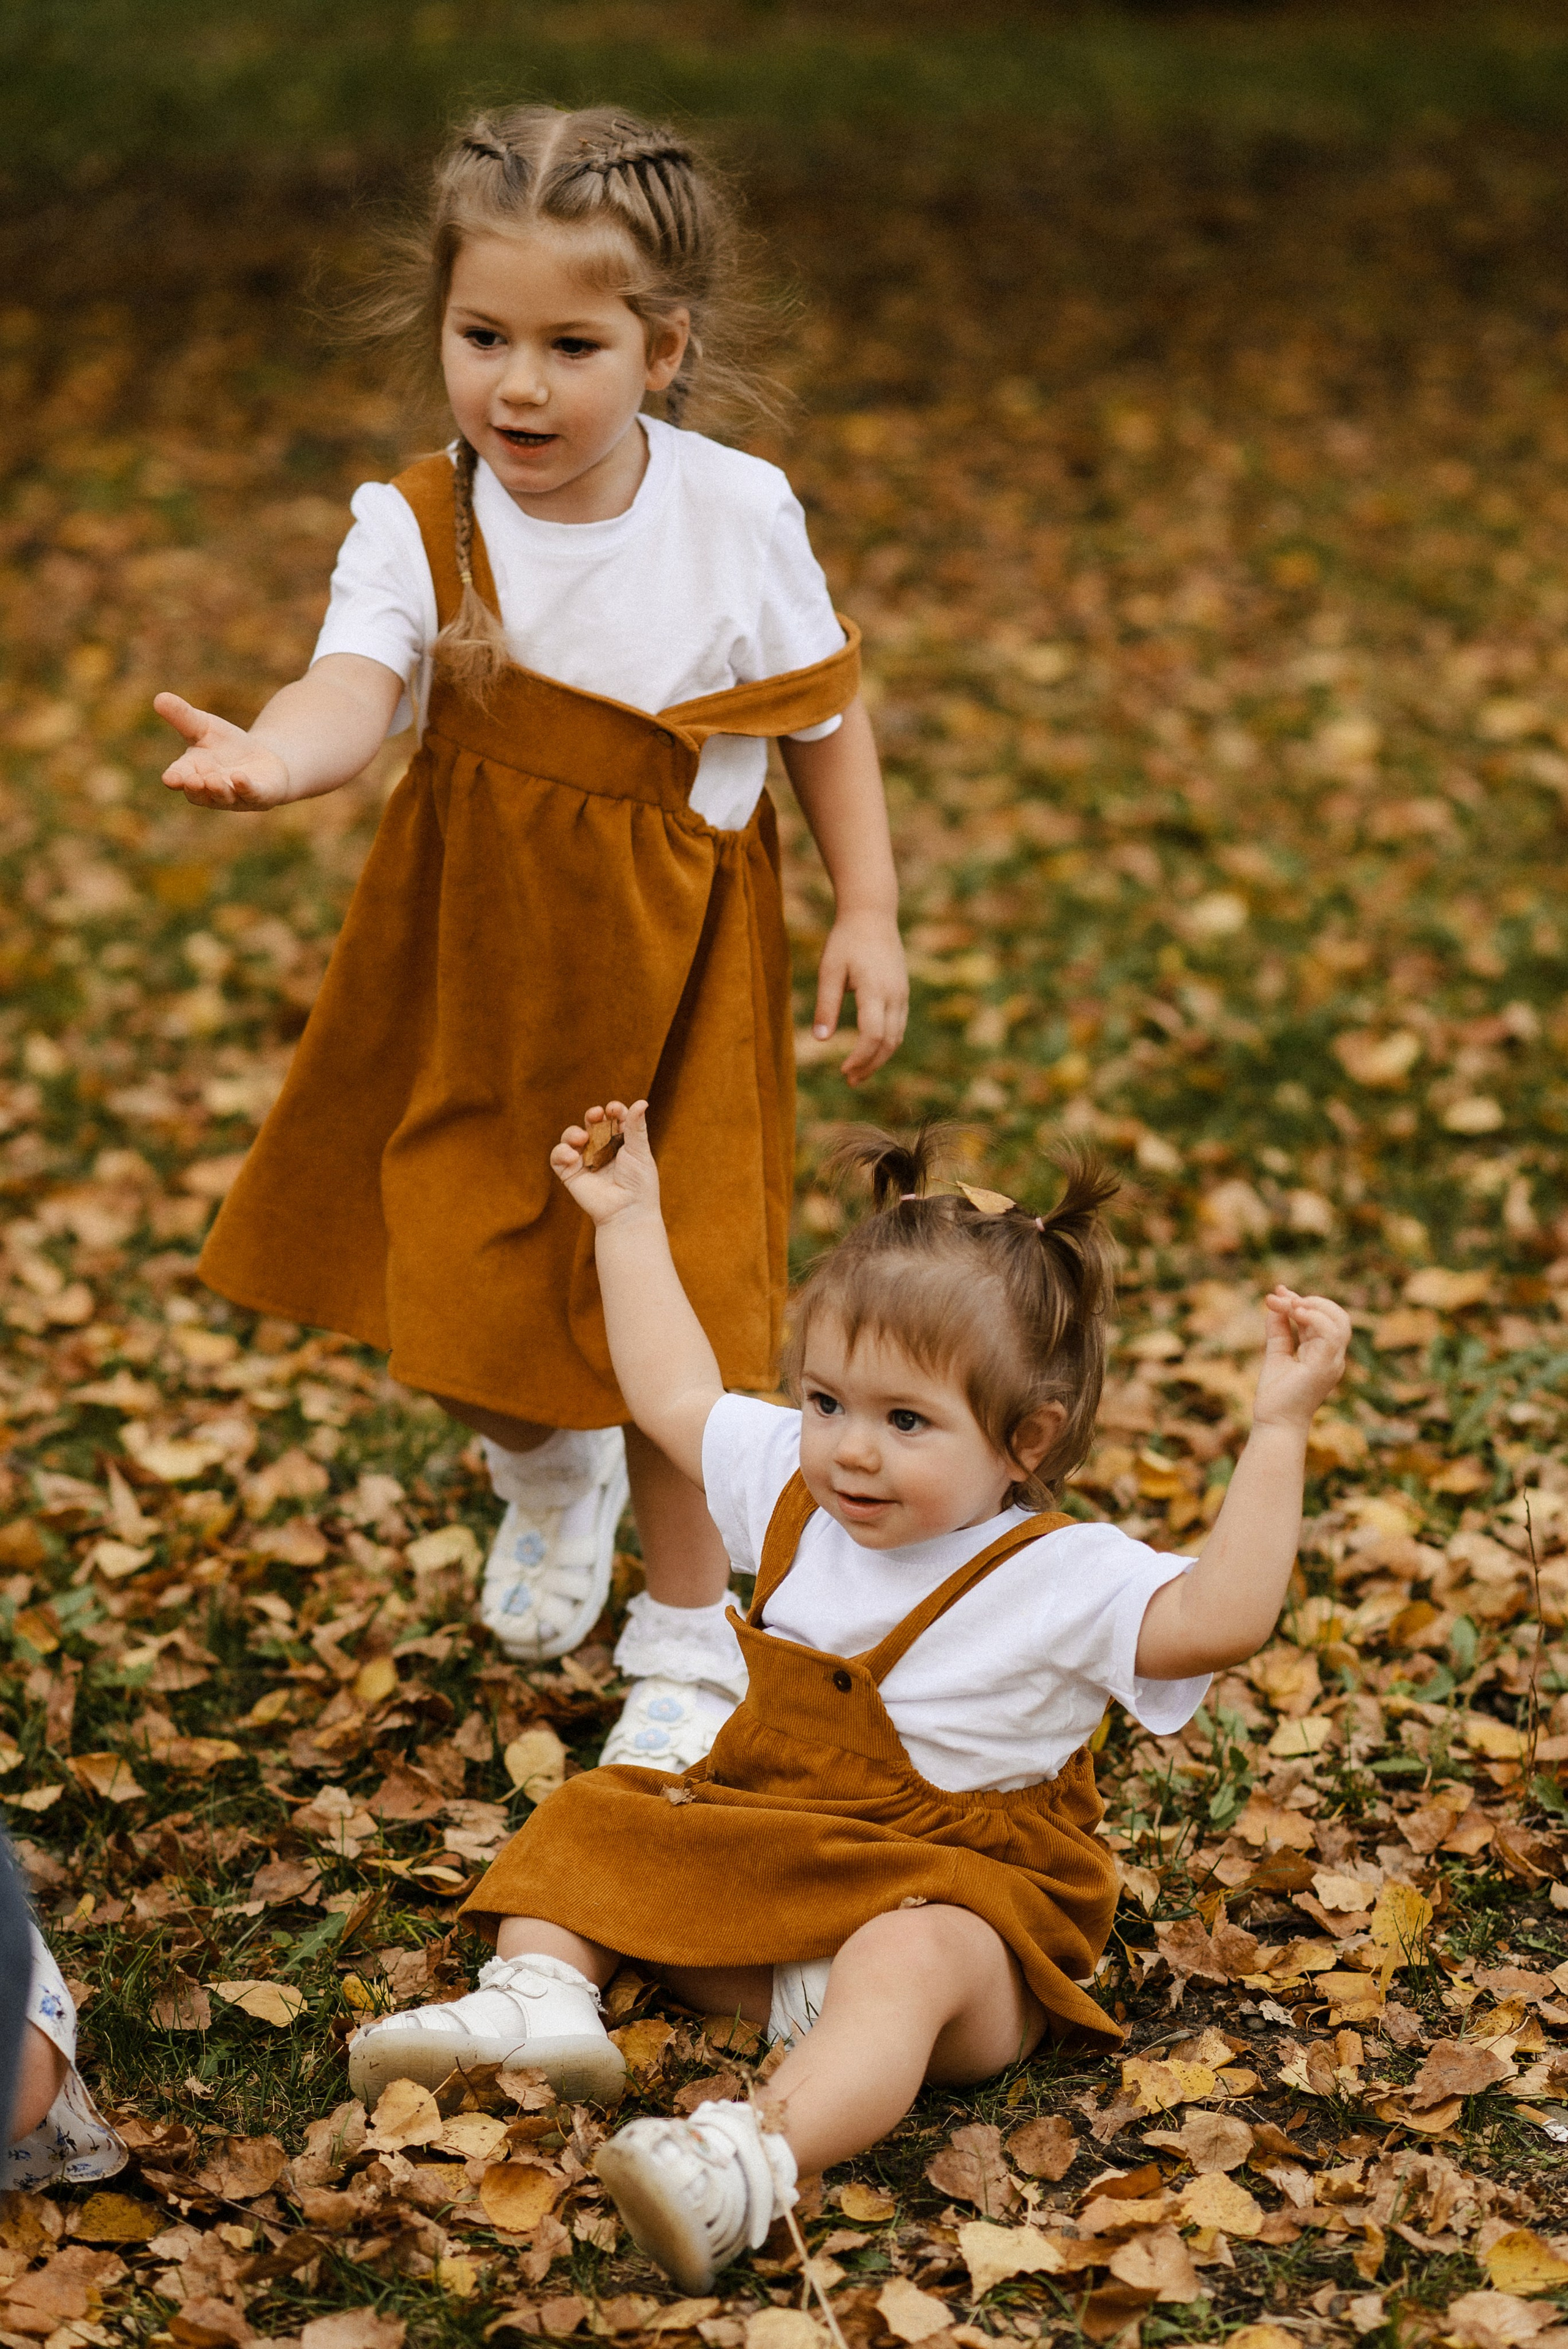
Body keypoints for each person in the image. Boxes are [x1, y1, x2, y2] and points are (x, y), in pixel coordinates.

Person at [152, 105, 907, 1768]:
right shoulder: (422, 520)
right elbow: (353, 679)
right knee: (466, 1298)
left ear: (664, 345)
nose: (519, 385)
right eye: (482, 336)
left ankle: (691, 1637)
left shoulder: (736, 512)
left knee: (684, 1316)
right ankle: (537, 1467)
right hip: (479, 973)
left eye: (573, 345)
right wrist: (282, 754)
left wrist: (868, 907)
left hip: (678, 976)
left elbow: (824, 713)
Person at [345, 1104, 1351, 2292]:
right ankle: (542, 2000)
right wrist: (628, 1219)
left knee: (908, 1958)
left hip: (960, 1913)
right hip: (768, 1875)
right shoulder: (793, 1486)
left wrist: (1277, 1427)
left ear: (1024, 1438)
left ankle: (752, 2157)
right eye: (825, 1401)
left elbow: (1222, 1620)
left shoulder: (1062, 1572)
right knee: (599, 1810)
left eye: (905, 1420)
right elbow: (671, 1396)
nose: (849, 1450)